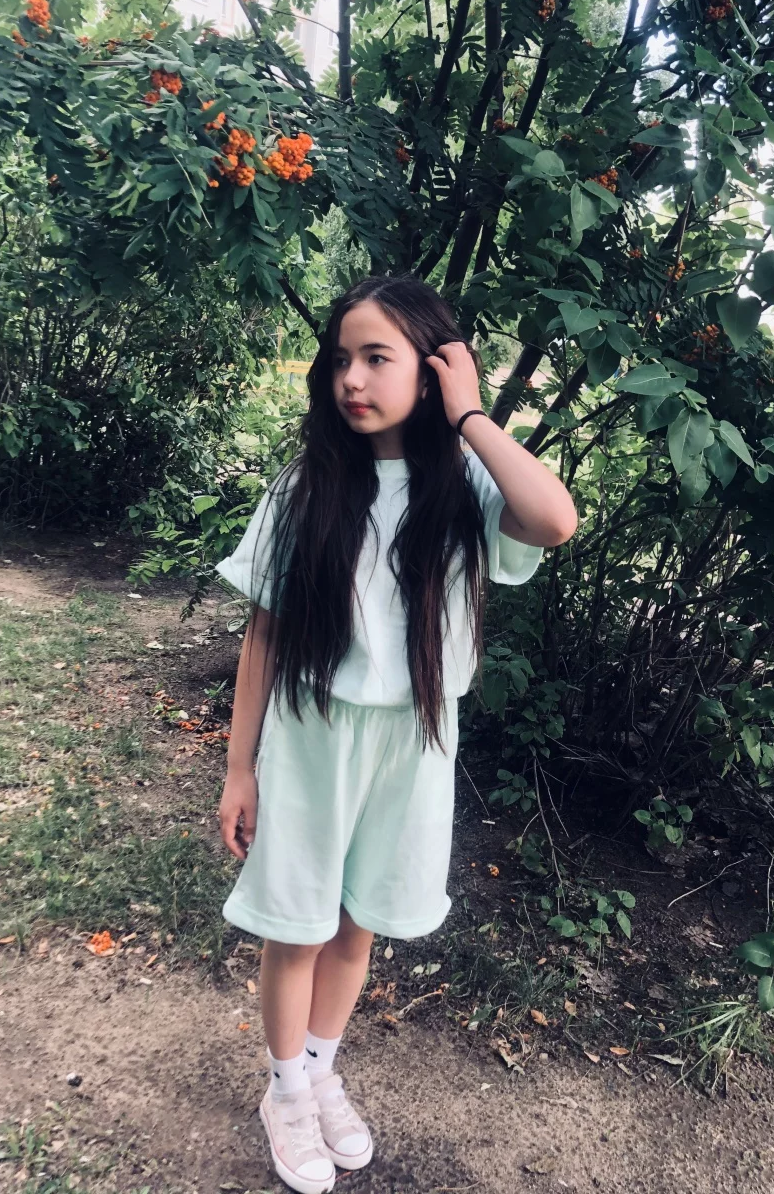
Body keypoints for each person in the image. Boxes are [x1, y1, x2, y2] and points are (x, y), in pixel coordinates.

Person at [215, 274, 577, 1194]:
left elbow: (553, 518)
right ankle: (285, 1091)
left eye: (377, 357)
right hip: (311, 734)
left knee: (358, 921)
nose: (352, 378)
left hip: (415, 737)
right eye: (341, 358)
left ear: (433, 367)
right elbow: (262, 636)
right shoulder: (305, 488)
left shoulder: (464, 489)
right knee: (297, 924)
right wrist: (239, 769)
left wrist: (470, 416)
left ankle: (319, 1073)